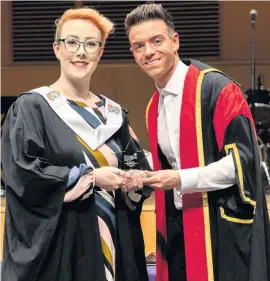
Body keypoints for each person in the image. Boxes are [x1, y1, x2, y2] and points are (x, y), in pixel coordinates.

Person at [1, 7, 151, 281]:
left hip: (114, 243)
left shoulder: (115, 115)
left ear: (100, 52)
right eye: (72, 42)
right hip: (63, 252)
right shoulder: (33, 108)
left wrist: (135, 179)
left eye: (91, 44)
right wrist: (91, 178)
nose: (81, 52)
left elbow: (134, 163)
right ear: (57, 48)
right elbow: (23, 175)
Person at [124, 4, 270, 281]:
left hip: (219, 228)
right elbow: (171, 163)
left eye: (157, 41)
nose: (148, 52)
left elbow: (244, 163)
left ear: (175, 41)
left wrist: (180, 179)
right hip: (176, 230)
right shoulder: (153, 106)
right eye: (139, 46)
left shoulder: (217, 89)